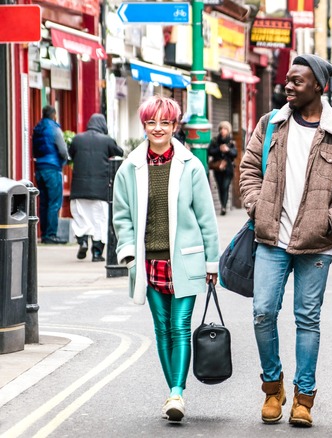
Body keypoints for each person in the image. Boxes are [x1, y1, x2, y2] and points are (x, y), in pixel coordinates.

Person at [239, 54, 332, 428]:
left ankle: (304, 398)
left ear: (318, 87)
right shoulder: (270, 124)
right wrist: (255, 206)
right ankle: (272, 387)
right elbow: (248, 169)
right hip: (271, 237)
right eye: (288, 81)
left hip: (317, 242)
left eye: (296, 81)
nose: (287, 86)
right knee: (263, 312)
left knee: (307, 320)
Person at [113, 96, 219, 422]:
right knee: (161, 329)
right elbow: (122, 217)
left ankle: (176, 393)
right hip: (148, 263)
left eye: (165, 123)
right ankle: (173, 390)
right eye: (151, 122)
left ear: (175, 126)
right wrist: (129, 254)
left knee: (180, 326)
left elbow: (206, 218)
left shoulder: (191, 166)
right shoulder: (130, 168)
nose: (158, 129)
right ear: (144, 125)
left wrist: (211, 262)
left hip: (185, 260)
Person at [68, 114, 124, 261]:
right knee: (100, 220)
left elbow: (70, 155)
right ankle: (97, 253)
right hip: (100, 189)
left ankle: (83, 241)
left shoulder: (77, 139)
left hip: (79, 187)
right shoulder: (106, 141)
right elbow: (120, 153)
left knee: (81, 217)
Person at [32, 106, 69, 244]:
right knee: (54, 202)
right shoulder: (54, 129)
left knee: (43, 202)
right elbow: (63, 149)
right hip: (52, 168)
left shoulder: (38, 128)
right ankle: (51, 234)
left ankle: (44, 233)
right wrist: (65, 160)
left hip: (39, 168)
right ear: (54, 115)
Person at [207, 121, 238, 215]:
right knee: (220, 187)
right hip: (218, 168)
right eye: (221, 129)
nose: (222, 131)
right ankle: (223, 205)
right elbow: (210, 151)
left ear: (228, 130)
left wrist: (227, 150)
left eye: (225, 129)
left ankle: (224, 207)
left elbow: (235, 153)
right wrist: (219, 149)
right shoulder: (215, 140)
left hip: (228, 169)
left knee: (225, 186)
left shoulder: (231, 142)